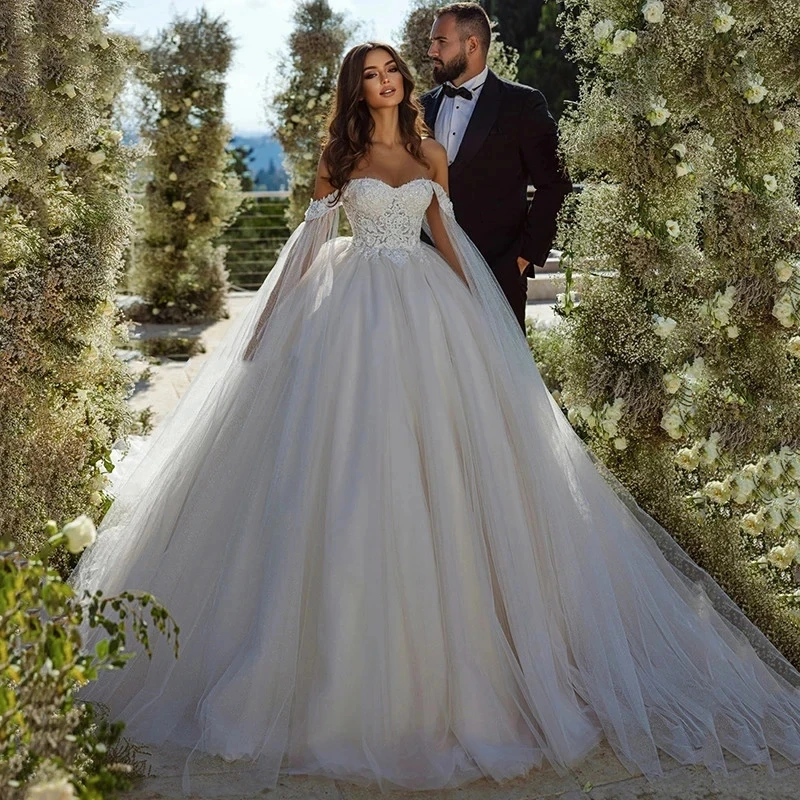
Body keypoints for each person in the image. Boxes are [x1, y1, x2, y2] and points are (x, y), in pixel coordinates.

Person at [72, 41, 800, 796]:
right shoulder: (338, 155)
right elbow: (309, 241)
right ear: (356, 90)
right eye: (370, 76)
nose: (383, 83)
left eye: (392, 72)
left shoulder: (427, 153)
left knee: (439, 468)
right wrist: (265, 322)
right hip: (349, 319)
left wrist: (483, 318)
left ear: (403, 84)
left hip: (426, 312)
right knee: (343, 467)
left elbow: (447, 239)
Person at [420, 2, 572, 330]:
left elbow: (555, 183)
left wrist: (522, 258)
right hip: (427, 275)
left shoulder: (522, 104)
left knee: (500, 380)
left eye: (440, 42)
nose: (431, 50)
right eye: (432, 42)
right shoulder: (420, 108)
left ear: (472, 44)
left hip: (499, 275)